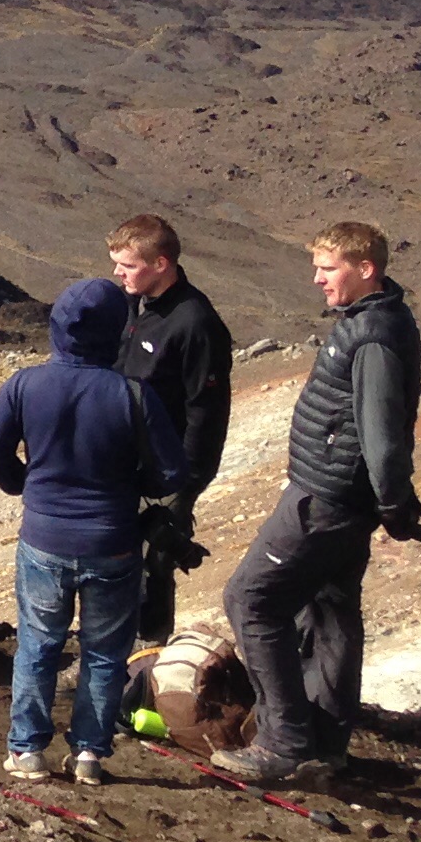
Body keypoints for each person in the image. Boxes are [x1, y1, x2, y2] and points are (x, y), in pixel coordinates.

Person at [215, 223, 421, 785]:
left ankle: (284, 743)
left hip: (326, 498)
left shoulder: (374, 335)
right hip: (344, 496)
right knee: (331, 610)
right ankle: (327, 744)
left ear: (366, 269)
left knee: (250, 599)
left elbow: (382, 431)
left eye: (328, 268)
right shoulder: (374, 321)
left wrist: (394, 501)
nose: (317, 278)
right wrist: (389, 499)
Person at [0, 278, 186, 784]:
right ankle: (89, 753)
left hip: (44, 539)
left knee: (38, 644)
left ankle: (27, 750)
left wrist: (27, 487)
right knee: (104, 653)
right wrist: (131, 486)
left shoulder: (25, 385)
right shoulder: (131, 394)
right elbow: (171, 471)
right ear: (117, 333)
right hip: (113, 542)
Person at [107, 213, 235, 643]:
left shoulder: (195, 322)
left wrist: (188, 482)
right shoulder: (131, 303)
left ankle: (145, 667)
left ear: (161, 264)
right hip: (125, 460)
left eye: (128, 265)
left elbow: (208, 409)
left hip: (168, 466)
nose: (118, 273)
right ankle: (111, 659)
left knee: (152, 565)